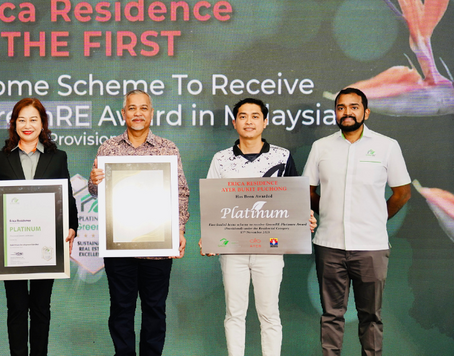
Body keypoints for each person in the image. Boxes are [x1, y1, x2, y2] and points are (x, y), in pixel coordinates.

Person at [199, 98, 316, 356]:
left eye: (255, 116)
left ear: (265, 122)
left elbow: (295, 201)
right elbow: (212, 203)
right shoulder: (221, 159)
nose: (249, 121)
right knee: (234, 313)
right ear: (235, 123)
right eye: (243, 116)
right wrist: (208, 236)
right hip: (232, 250)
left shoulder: (282, 156)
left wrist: (304, 219)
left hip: (270, 249)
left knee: (270, 314)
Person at [303, 87, 411, 356]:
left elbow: (402, 193)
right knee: (331, 315)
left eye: (353, 107)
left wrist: (377, 217)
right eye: (341, 107)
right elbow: (307, 191)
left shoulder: (387, 146)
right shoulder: (321, 147)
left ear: (366, 112)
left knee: (371, 316)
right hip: (329, 244)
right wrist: (328, 211)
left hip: (371, 246)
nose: (347, 112)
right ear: (335, 113)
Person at [88, 89, 189, 356]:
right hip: (119, 246)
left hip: (158, 246)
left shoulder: (168, 148)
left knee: (155, 309)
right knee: (121, 309)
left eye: (143, 108)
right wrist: (94, 181)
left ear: (151, 113)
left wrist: (179, 229)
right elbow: (96, 192)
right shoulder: (108, 148)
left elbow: (180, 192)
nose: (138, 113)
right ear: (123, 113)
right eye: (132, 108)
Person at [0, 97, 79, 356]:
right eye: (21, 120)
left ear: (42, 124)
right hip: (13, 246)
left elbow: (67, 196)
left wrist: (72, 227)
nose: (27, 125)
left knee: (41, 308)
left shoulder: (58, 157)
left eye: (33, 119)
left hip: (47, 245)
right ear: (14, 124)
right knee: (17, 308)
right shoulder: (2, 158)